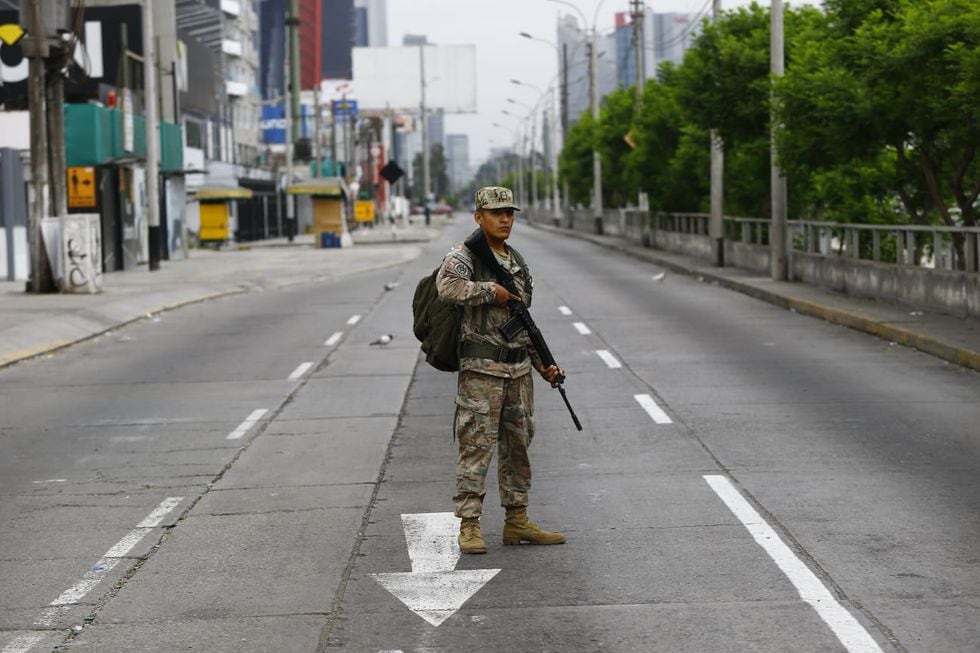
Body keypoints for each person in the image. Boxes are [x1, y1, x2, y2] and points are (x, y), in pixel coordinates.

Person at [435, 186, 566, 554]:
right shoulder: (464, 256)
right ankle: (470, 524)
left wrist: (545, 366)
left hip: (518, 372)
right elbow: (447, 288)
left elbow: (522, 323)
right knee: (476, 447)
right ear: (479, 217)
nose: (505, 219)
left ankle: (517, 520)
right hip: (482, 372)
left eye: (509, 212)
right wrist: (491, 291)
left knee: (518, 446)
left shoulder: (517, 262)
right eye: (496, 213)